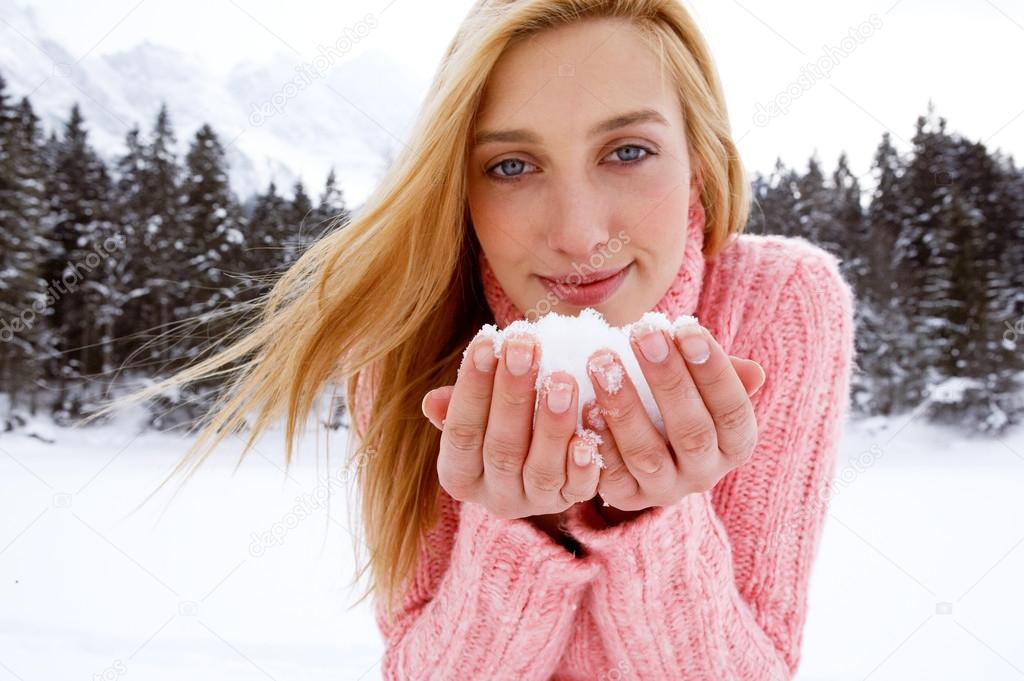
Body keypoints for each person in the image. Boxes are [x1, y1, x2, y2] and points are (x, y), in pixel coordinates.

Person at [115, 0, 855, 678]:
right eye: (511, 166)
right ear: (460, 191)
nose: (578, 234)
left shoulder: (780, 304)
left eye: (627, 151)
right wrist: (511, 528)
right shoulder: (410, 335)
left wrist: (655, 517)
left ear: (700, 159)